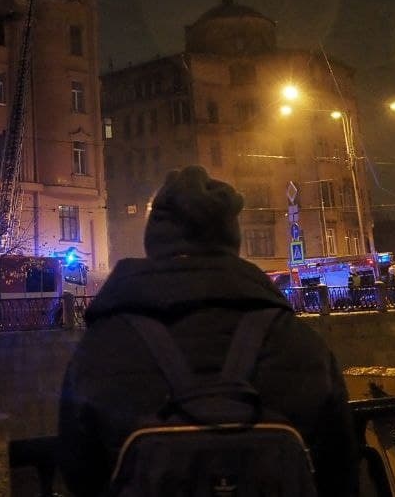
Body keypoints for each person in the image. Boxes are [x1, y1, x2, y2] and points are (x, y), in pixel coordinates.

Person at [58, 165, 358, 496]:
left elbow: (79, 470)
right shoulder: (298, 341)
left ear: (154, 241)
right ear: (231, 239)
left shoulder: (105, 345)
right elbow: (339, 469)